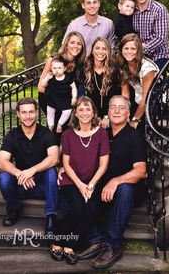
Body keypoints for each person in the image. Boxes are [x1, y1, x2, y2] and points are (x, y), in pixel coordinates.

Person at [78, 95, 147, 269]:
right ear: (108, 112)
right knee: (83, 186)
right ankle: (96, 240)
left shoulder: (134, 137)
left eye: (121, 108)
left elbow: (141, 171)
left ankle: (113, 245)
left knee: (124, 189)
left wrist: (116, 181)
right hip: (104, 187)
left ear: (128, 112)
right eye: (113, 107)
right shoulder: (102, 134)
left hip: (129, 190)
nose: (117, 111)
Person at [50, 96, 110, 265]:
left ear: (93, 113)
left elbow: (104, 164)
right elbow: (66, 164)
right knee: (76, 208)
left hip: (92, 181)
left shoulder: (102, 133)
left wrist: (90, 185)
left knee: (91, 210)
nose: (84, 113)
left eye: (88, 109)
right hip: (71, 180)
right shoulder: (68, 134)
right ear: (75, 113)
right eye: (81, 109)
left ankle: (68, 244)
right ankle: (57, 242)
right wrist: (80, 185)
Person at [0, 97, 59, 234]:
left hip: (43, 187)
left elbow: (54, 158)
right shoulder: (12, 135)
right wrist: (20, 173)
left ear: (36, 113)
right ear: (18, 114)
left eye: (31, 112)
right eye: (24, 112)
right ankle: (13, 209)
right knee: (4, 177)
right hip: (21, 186)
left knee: (52, 172)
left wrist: (32, 170)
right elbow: (2, 161)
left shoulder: (46, 133)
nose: (28, 116)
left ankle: (51, 216)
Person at [38, 31, 86, 120]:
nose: (75, 46)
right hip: (52, 102)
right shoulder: (53, 60)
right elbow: (40, 87)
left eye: (79, 44)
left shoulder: (81, 65)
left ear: (82, 47)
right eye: (72, 42)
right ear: (66, 44)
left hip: (69, 105)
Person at [83, 36, 129, 128]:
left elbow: (125, 95)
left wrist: (109, 116)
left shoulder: (116, 69)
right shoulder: (84, 69)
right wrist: (93, 117)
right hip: (90, 117)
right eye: (97, 48)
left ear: (108, 51)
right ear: (92, 51)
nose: (100, 52)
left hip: (112, 116)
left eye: (104, 49)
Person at [117, 33, 159, 132]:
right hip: (139, 101)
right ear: (121, 49)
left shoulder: (147, 68)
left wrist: (135, 120)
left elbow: (146, 98)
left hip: (155, 103)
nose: (129, 52)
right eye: (126, 48)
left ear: (138, 50)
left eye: (133, 49)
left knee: (137, 131)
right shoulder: (123, 65)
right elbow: (125, 94)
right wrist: (125, 114)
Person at [131, 0, 169, 70]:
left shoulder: (159, 9)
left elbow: (160, 38)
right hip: (136, 55)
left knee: (151, 79)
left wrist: (140, 49)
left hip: (159, 55)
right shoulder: (131, 10)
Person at [40, 55, 77, 133]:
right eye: (54, 68)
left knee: (68, 111)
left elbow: (73, 88)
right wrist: (47, 78)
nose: (56, 70)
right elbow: (42, 85)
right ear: (51, 69)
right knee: (50, 111)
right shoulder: (51, 78)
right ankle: (51, 125)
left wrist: (74, 97)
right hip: (53, 100)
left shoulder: (68, 78)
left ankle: (60, 124)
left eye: (59, 68)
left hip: (64, 100)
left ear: (64, 69)